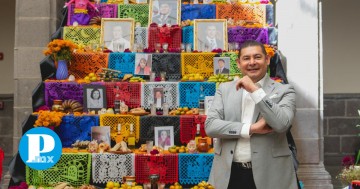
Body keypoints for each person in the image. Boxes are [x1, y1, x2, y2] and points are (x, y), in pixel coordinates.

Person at [205, 40, 297, 189]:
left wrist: (254, 90)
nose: (252, 62)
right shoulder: (224, 89)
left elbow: (282, 124)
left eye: (257, 57)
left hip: (270, 174)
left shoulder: (284, 91)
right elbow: (210, 127)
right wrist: (251, 128)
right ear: (239, 63)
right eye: (246, 58)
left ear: (267, 60)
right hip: (229, 175)